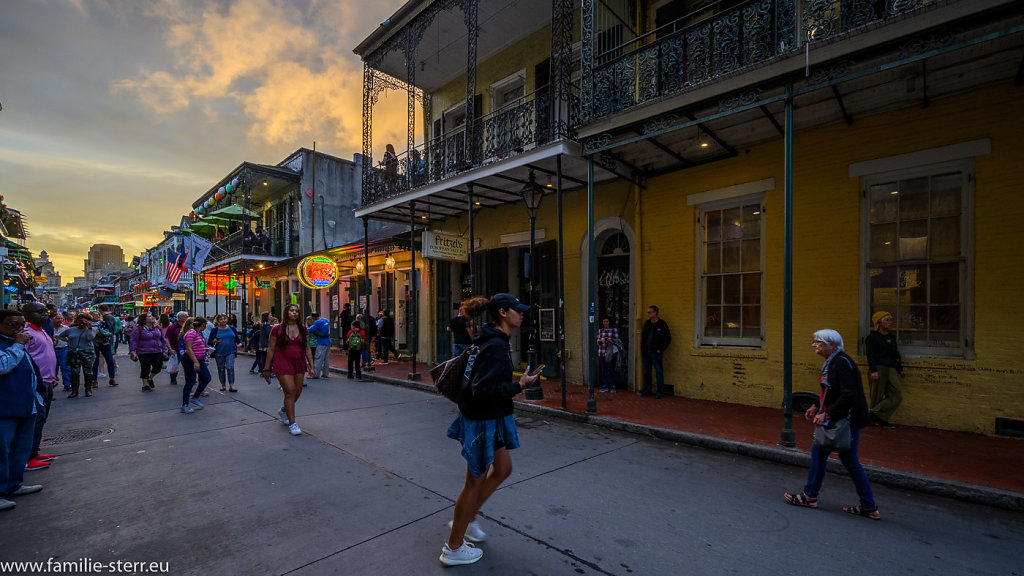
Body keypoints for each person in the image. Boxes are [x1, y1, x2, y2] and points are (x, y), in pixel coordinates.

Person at [441, 294, 540, 566]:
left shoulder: (494, 340)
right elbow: (482, 389)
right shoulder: (495, 344)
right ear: (503, 313)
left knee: (504, 468)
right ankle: (454, 547)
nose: (521, 314)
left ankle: (468, 518)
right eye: (517, 311)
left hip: (490, 416)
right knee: (474, 481)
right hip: (482, 417)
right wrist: (519, 386)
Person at [784, 329, 880, 520]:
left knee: (824, 454)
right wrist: (816, 406)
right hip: (846, 418)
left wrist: (827, 413)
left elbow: (848, 394)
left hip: (845, 419)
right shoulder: (834, 362)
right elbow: (832, 392)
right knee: (844, 459)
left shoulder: (840, 364)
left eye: (818, 342)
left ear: (832, 345)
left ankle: (810, 496)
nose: (814, 345)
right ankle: (868, 506)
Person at [0, 309, 44, 511]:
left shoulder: (18, 343)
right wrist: (18, 344)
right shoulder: (13, 344)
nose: (18, 329)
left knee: (20, 449)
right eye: (12, 325)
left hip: (26, 404)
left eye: (20, 325)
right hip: (5, 407)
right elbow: (3, 366)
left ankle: (14, 485)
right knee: (3, 451)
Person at [263, 304, 314, 436]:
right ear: (286, 313)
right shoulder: (277, 329)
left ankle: (284, 410)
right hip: (282, 363)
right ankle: (292, 422)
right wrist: (267, 368)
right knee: (290, 391)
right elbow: (271, 349)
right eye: (292, 311)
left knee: (297, 391)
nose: (294, 313)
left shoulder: (303, 329)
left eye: (296, 311)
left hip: (299, 363)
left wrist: (312, 365)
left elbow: (307, 347)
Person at [21, 303, 57, 472]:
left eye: (45, 311)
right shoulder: (26, 333)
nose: (45, 314)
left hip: (47, 380)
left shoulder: (41, 330)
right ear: (27, 314)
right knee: (35, 419)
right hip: (36, 382)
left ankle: (34, 452)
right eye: (40, 311)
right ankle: (28, 458)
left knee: (42, 419)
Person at [866, 311, 904, 428]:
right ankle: (879, 420)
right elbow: (870, 354)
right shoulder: (872, 337)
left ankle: (872, 413)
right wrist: (873, 370)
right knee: (877, 395)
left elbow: (895, 354)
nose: (890, 322)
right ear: (879, 322)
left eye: (890, 320)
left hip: (891, 368)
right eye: (886, 320)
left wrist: (900, 369)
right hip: (878, 368)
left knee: (897, 395)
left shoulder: (891, 337)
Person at [59, 314, 97, 398]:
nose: (82, 323)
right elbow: (61, 336)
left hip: (87, 353)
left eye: (85, 320)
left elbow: (90, 338)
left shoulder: (92, 329)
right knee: (74, 372)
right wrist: (68, 341)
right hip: (74, 353)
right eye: (81, 320)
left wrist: (89, 327)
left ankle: (88, 389)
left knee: (88, 372)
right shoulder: (71, 330)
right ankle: (74, 391)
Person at [180, 317, 212, 414]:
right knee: (190, 381)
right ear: (202, 325)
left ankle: (195, 397)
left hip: (199, 359)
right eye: (205, 325)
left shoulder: (198, 333)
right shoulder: (190, 333)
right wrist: (195, 361)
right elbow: (189, 349)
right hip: (190, 360)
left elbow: (197, 346)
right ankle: (184, 405)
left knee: (206, 377)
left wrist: (205, 353)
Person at [129, 312, 167, 393]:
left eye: (152, 316)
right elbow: (133, 340)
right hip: (143, 352)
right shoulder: (138, 329)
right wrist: (133, 351)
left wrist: (164, 348)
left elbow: (162, 338)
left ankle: (150, 378)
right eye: (149, 316)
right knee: (145, 368)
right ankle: (145, 384)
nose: (152, 317)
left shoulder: (157, 328)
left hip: (157, 351)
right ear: (144, 319)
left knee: (158, 367)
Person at [639, 305, 671, 398]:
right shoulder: (647, 324)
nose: (648, 314)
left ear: (655, 313)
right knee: (646, 372)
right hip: (646, 352)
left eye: (649, 312)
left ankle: (660, 392)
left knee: (658, 371)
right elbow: (643, 337)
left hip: (656, 352)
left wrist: (660, 349)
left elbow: (667, 338)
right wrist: (643, 349)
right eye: (647, 312)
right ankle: (647, 390)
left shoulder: (662, 324)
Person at [208, 314, 239, 392]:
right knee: (221, 369)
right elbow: (209, 341)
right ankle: (223, 384)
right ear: (218, 321)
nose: (223, 320)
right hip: (219, 352)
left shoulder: (232, 328)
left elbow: (238, 339)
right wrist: (214, 341)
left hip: (231, 351)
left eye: (224, 318)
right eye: (221, 319)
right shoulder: (215, 330)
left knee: (230, 367)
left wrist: (240, 343)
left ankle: (231, 385)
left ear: (227, 320)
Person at [92, 306, 117, 387]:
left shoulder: (104, 323)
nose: (97, 316)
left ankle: (112, 378)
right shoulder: (89, 325)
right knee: (95, 362)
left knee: (110, 360)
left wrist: (101, 333)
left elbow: (110, 332)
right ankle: (94, 380)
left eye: (98, 314)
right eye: (95, 314)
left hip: (105, 343)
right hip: (94, 345)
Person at [597, 317, 620, 393]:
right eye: (604, 321)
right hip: (602, 352)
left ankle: (613, 385)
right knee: (604, 369)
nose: (605, 323)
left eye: (607, 321)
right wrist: (601, 340)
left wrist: (610, 340)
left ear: (609, 322)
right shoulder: (600, 330)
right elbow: (598, 340)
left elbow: (617, 340)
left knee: (611, 369)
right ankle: (605, 385)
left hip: (611, 353)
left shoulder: (613, 330)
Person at [165, 312, 188, 386]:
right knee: (174, 364)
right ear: (179, 318)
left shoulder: (188, 327)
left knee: (188, 365)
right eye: (185, 317)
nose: (187, 318)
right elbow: (167, 338)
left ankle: (190, 378)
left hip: (186, 349)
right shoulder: (172, 327)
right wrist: (170, 348)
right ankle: (173, 378)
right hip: (175, 349)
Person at [53, 312, 72, 392]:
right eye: (57, 318)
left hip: (63, 349)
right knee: (53, 369)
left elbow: (70, 339)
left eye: (61, 318)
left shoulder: (66, 328)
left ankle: (67, 384)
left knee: (65, 367)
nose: (59, 320)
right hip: (52, 350)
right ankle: (51, 385)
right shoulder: (49, 328)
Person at [310, 311, 332, 379]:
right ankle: (326, 373)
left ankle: (316, 374)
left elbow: (310, 329)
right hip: (328, 341)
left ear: (313, 318)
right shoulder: (326, 320)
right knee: (326, 359)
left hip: (321, 343)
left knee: (318, 358)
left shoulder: (317, 322)